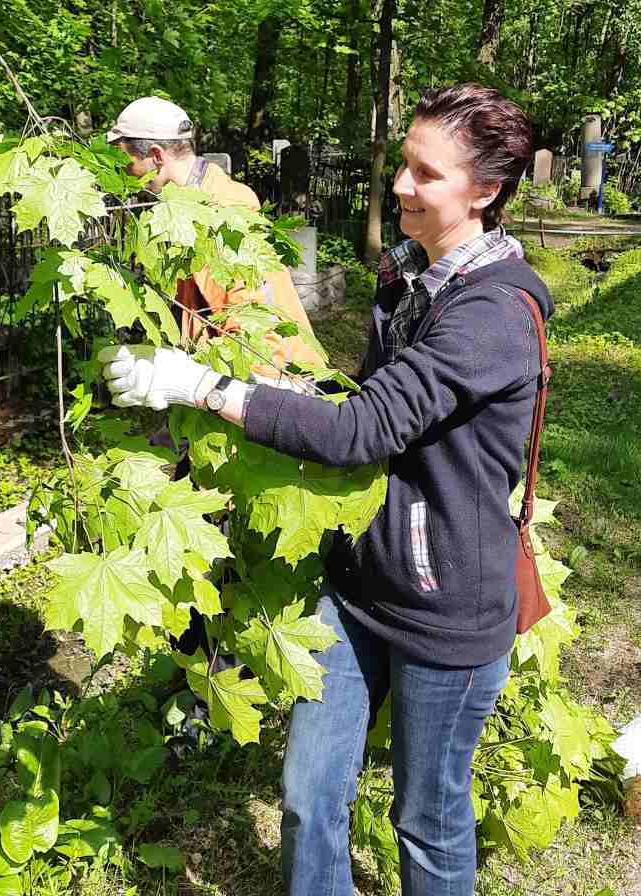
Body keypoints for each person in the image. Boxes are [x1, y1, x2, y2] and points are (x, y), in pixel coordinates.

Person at [100, 84, 554, 896]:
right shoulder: (410, 275)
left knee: (429, 820)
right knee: (308, 798)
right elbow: (357, 401)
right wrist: (233, 381)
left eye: (426, 174)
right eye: (405, 164)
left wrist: (204, 386)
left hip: (445, 608)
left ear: (485, 192)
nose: (402, 186)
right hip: (355, 584)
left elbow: (364, 430)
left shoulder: (493, 315)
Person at [105, 95, 324, 377]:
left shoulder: (214, 214)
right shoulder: (197, 199)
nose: (125, 173)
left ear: (157, 156)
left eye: (127, 162)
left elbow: (258, 337)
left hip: (275, 385)